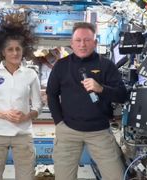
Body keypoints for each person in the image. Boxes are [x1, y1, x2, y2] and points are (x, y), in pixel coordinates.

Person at [46, 22, 128, 180]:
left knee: (116, 176)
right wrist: (59, 122)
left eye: (87, 40)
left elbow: (122, 95)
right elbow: (52, 94)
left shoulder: (106, 66)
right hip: (68, 131)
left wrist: (101, 89)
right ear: (72, 43)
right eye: (78, 40)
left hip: (99, 132)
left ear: (95, 42)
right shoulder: (61, 66)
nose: (82, 44)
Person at [0, 12, 41, 180]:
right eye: (10, 49)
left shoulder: (31, 74)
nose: (15, 53)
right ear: (3, 52)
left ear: (23, 50)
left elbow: (38, 106)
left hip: (23, 134)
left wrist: (27, 116)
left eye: (18, 49)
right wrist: (3, 114)